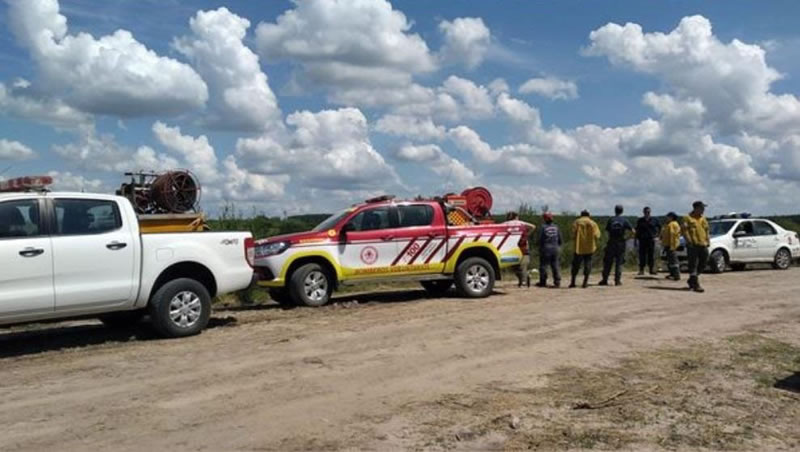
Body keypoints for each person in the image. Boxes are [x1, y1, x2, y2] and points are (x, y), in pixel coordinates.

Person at [600, 205, 634, 286]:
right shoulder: (624, 220)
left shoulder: (611, 220)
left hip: (611, 242)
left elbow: (606, 232)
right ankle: (617, 281)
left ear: (615, 210)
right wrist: (627, 238)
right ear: (622, 211)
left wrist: (606, 242)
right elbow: (633, 231)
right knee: (619, 262)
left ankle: (605, 279)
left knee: (608, 262)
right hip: (621, 242)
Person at [682, 201, 710, 293]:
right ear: (696, 208)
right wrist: (689, 241)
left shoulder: (703, 219)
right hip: (693, 245)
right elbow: (685, 231)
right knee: (693, 264)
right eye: (702, 208)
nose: (703, 210)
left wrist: (708, 240)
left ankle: (692, 279)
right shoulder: (687, 218)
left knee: (704, 262)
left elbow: (706, 230)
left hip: (703, 244)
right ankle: (696, 284)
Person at [570, 210, 601, 289]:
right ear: (588, 215)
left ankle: (573, 282)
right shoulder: (593, 223)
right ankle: (585, 282)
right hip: (589, 247)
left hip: (578, 247)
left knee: (576, 265)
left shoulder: (576, 222)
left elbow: (572, 234)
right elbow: (597, 235)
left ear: (581, 215)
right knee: (587, 264)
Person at [504, 212, 536, 287]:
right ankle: (524, 280)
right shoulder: (521, 223)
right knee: (523, 265)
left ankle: (523, 281)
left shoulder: (506, 224)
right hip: (523, 246)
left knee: (514, 265)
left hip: (512, 247)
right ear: (516, 217)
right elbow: (533, 226)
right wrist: (527, 234)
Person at [536, 212, 562, 288]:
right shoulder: (556, 227)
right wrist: (558, 245)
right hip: (555, 248)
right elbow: (560, 238)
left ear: (545, 219)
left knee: (544, 265)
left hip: (546, 248)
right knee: (555, 265)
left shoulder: (543, 227)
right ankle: (557, 282)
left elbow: (541, 239)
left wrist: (539, 247)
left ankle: (543, 281)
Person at [635, 206, 661, 275]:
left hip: (651, 239)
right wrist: (636, 239)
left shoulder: (654, 220)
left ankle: (651, 269)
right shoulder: (640, 220)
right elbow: (637, 230)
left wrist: (658, 235)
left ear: (650, 212)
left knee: (651, 255)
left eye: (648, 212)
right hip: (642, 240)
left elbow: (660, 227)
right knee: (642, 255)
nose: (647, 213)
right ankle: (641, 270)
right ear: (643, 212)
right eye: (646, 212)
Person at [661, 212, 681, 281]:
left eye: (667, 217)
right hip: (668, 245)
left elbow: (672, 236)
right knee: (670, 261)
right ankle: (672, 274)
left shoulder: (672, 224)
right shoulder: (668, 224)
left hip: (671, 245)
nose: (666, 218)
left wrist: (672, 246)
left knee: (673, 261)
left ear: (671, 217)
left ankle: (676, 275)